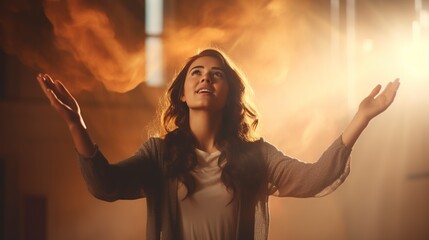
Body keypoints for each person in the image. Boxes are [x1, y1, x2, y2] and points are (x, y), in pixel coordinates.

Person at [36, 48, 400, 240]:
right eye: (196, 72)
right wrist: (75, 123)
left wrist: (361, 118)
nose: (205, 78)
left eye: (216, 74)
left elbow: (316, 178)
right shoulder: (158, 154)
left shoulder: (258, 156)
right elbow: (104, 184)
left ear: (231, 94)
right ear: (182, 91)